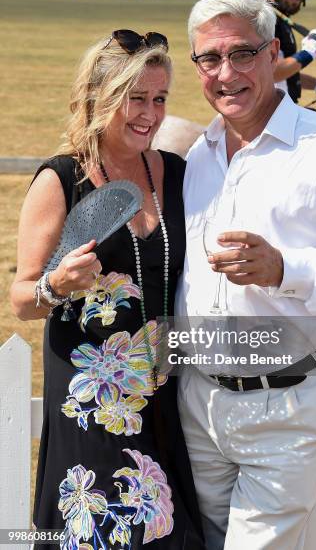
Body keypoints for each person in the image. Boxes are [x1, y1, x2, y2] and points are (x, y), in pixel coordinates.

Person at [175, 0, 316, 549]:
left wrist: (282, 267)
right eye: (209, 58)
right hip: (197, 403)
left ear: (275, 53)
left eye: (243, 54)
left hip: (285, 403)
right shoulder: (199, 154)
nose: (226, 73)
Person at [11, 30, 204, 549]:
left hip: (166, 398)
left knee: (169, 533)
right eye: (135, 98)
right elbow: (22, 298)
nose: (151, 113)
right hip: (92, 402)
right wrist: (57, 285)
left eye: (160, 98)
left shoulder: (180, 174)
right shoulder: (62, 180)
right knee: (101, 530)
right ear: (99, 98)